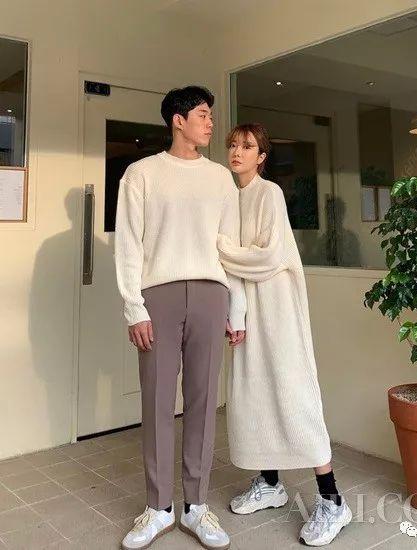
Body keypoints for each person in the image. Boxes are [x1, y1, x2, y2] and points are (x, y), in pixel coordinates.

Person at [114, 86, 247, 550]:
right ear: (178, 119)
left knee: (204, 401)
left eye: (211, 116)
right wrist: (134, 306)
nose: (211, 124)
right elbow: (128, 244)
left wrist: (236, 308)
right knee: (157, 401)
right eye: (203, 115)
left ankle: (196, 505)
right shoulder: (142, 174)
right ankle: (158, 508)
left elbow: (230, 248)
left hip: (211, 294)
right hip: (158, 296)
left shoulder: (220, 179)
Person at [216, 123, 353, 546]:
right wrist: (236, 314)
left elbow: (269, 256)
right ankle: (271, 482)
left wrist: (219, 247)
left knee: (294, 394)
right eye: (233, 144)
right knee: (254, 392)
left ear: (261, 157)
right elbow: (233, 271)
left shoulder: (269, 193)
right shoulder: (229, 197)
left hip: (277, 306)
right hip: (250, 309)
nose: (237, 151)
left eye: (247, 146)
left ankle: (332, 500)